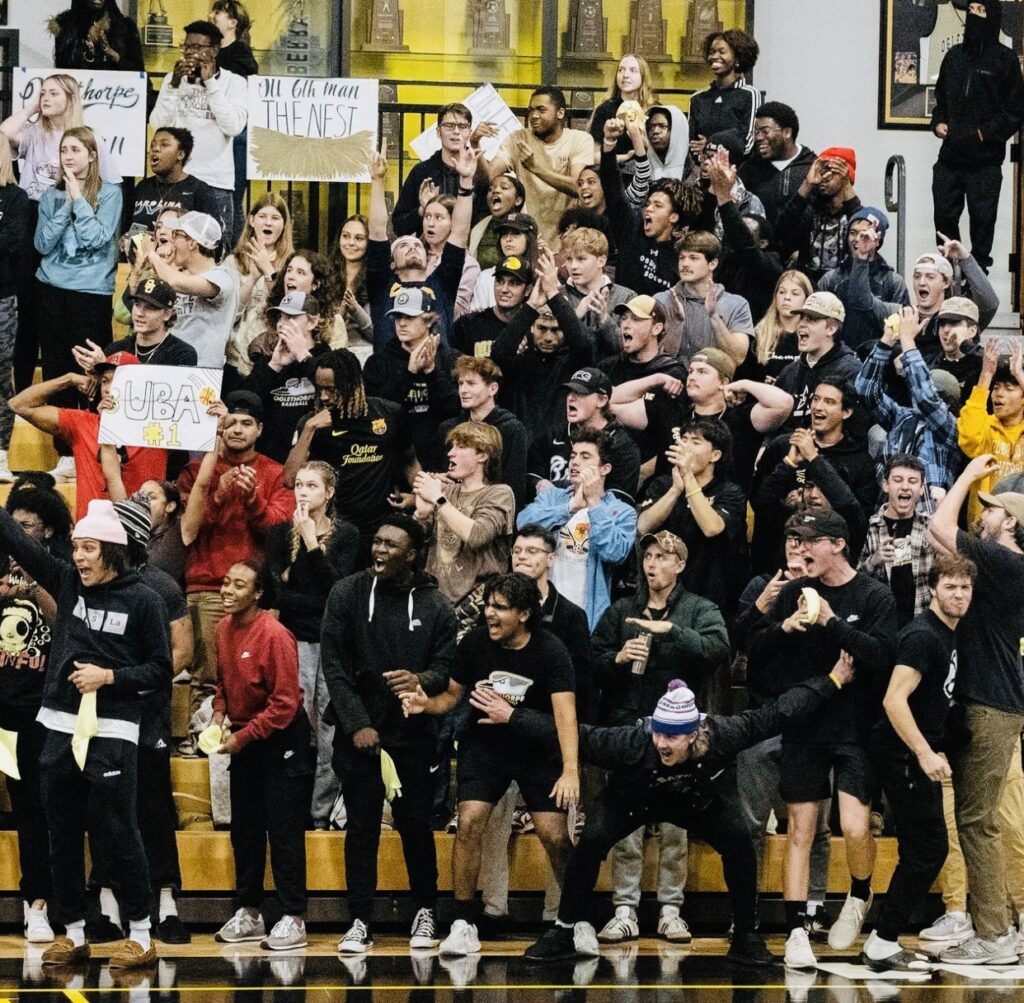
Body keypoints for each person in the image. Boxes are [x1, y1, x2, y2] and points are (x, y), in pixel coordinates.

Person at [518, 667, 853, 965]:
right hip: (632, 800)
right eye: (659, 734)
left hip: (698, 803)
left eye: (673, 737)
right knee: (591, 839)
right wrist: (512, 716)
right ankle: (564, 931)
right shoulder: (632, 742)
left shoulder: (725, 734)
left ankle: (745, 935)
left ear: (694, 735)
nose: (663, 744)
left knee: (739, 840)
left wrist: (834, 679)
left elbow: (780, 711)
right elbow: (577, 734)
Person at [0, 499, 171, 969]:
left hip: (113, 728)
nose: (78, 557)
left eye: (89, 548)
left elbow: (161, 668)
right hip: (58, 724)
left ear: (113, 551)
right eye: (75, 547)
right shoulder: (66, 582)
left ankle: (140, 932)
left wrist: (109, 677)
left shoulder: (145, 600)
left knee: (118, 832)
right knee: (61, 831)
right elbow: (16, 539)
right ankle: (73, 932)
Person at [746, 510, 898, 970]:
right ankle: (795, 933)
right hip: (806, 726)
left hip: (855, 727)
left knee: (854, 826)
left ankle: (859, 891)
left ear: (837, 544)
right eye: (794, 538)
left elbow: (881, 657)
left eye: (808, 540)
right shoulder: (793, 594)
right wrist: (780, 629)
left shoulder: (874, 595)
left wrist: (831, 623)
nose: (799, 548)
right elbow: (755, 657)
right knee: (800, 829)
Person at [402, 572, 579, 957]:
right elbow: (451, 695)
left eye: (500, 607)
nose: (489, 614)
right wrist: (425, 705)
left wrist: (570, 770)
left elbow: (565, 714)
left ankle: (573, 920)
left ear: (525, 614)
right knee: (469, 823)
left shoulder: (551, 651)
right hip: (486, 747)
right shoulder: (475, 643)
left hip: (537, 750)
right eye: (488, 605)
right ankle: (463, 921)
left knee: (554, 835)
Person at [321, 514, 457, 955]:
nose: (379, 550)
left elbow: (445, 668)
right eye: (376, 542)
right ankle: (359, 918)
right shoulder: (347, 592)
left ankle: (425, 910)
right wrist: (358, 723)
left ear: (413, 554)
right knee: (361, 828)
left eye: (391, 545)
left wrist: (421, 679)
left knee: (416, 825)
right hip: (359, 733)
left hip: (414, 734)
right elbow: (334, 668)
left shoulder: (436, 606)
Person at [591, 530, 729, 944]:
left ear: (680, 564)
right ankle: (624, 909)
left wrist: (671, 631)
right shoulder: (620, 611)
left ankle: (671, 909)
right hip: (630, 727)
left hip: (680, 731)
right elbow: (591, 663)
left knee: (675, 823)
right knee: (627, 822)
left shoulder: (699, 608)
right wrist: (616, 658)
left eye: (662, 556)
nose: (652, 564)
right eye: (648, 556)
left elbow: (718, 649)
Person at [928, 457, 1024, 964]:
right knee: (976, 821)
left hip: (992, 704)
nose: (982, 516)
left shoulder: (1007, 563)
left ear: (1008, 521)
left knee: (977, 822)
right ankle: (996, 927)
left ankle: (995, 936)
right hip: (987, 702)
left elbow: (938, 524)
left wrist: (966, 475)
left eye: (990, 510)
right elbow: (937, 538)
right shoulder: (998, 565)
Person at [860, 554, 976, 972]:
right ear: (933, 589)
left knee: (920, 848)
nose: (959, 594)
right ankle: (882, 939)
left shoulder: (949, 633)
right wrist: (924, 752)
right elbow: (894, 699)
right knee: (930, 849)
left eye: (965, 587)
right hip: (900, 753)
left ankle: (882, 940)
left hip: (914, 751)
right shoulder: (922, 636)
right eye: (950, 586)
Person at [211, 559, 313, 952]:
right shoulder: (222, 629)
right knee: (245, 829)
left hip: (281, 738)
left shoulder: (275, 634)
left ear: (258, 594)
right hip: (246, 738)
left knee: (284, 829)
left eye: (239, 585)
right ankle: (249, 912)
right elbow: (223, 684)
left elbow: (285, 703)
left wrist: (242, 738)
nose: (227, 590)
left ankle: (293, 916)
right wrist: (219, 717)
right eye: (225, 582)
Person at [176, 391, 294, 720]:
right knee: (206, 680)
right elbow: (189, 528)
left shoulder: (275, 473)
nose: (236, 429)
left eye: (246, 423)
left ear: (260, 429)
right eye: (229, 423)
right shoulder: (196, 471)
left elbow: (277, 533)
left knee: (255, 681)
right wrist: (219, 494)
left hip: (257, 593)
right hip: (206, 587)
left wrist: (253, 500)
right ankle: (203, 749)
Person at [266, 462, 356, 828]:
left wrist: (311, 542)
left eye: (312, 486)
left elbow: (338, 593)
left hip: (332, 642)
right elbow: (280, 595)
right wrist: (304, 544)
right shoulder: (277, 534)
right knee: (296, 724)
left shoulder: (347, 535)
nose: (302, 492)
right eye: (298, 485)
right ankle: (290, 808)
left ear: (329, 493)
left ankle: (320, 814)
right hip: (292, 639)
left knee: (330, 729)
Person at [0, 488, 68, 944]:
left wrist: (32, 579)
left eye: (28, 528)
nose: (20, 535)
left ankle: (38, 904)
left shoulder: (61, 569)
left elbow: (63, 616)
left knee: (35, 810)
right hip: (2, 706)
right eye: (14, 526)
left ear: (45, 530)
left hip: (35, 712)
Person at [284, 348, 408, 561]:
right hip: (333, 529)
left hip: (378, 528)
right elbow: (289, 479)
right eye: (320, 388)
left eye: (332, 390)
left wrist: (416, 495)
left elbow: (410, 461)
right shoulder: (311, 424)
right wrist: (310, 428)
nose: (324, 396)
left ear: (354, 385)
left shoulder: (388, 414)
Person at [10, 353, 167, 518]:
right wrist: (69, 380)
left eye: (118, 380)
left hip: (140, 534)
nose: (108, 388)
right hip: (91, 536)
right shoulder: (82, 423)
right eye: (105, 380)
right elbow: (19, 405)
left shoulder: (158, 427)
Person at [930, 0, 1024, 273]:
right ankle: (946, 273)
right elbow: (941, 101)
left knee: (982, 224)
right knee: (944, 218)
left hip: (985, 162)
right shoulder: (954, 56)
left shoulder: (1005, 61)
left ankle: (977, 278)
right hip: (950, 158)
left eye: (980, 11)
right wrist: (939, 123)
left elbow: (1014, 112)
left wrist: (984, 134)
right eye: (970, 10)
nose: (974, 16)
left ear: (992, 16)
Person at [35, 126, 122, 404]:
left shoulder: (110, 193)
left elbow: (96, 239)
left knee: (91, 371)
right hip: (51, 291)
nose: (68, 156)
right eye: (63, 150)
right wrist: (66, 205)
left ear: (92, 155)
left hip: (91, 294)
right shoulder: (50, 195)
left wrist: (80, 201)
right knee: (55, 371)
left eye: (75, 150)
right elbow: (42, 244)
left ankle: (90, 441)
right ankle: (62, 446)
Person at [517, 427, 637, 629]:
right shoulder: (552, 497)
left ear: (605, 468)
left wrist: (595, 504)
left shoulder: (621, 511)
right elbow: (524, 524)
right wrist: (570, 507)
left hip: (585, 615)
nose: (575, 462)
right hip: (539, 608)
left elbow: (615, 553)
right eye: (573, 455)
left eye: (585, 456)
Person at [367, 139, 476, 350]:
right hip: (391, 376)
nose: (413, 246)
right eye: (403, 245)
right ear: (391, 262)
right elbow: (377, 230)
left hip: (435, 375)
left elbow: (460, 232)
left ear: (428, 258)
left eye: (417, 244)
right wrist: (377, 180)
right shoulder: (381, 284)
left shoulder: (442, 283)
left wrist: (465, 182)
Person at [753, 380, 876, 567]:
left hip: (829, 562)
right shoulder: (783, 446)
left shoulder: (860, 461)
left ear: (847, 412)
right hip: (776, 561)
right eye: (816, 399)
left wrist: (813, 458)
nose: (818, 407)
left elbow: (856, 519)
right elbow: (759, 501)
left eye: (829, 402)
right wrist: (789, 463)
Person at [637, 421, 748, 617]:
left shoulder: (730, 492)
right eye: (684, 440)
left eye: (695, 442)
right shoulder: (663, 485)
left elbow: (712, 527)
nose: (685, 447)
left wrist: (688, 477)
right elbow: (644, 525)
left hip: (709, 599)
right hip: (660, 594)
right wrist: (675, 490)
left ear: (715, 455)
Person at [490, 250, 595, 458]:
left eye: (555, 330)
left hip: (561, 453)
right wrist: (530, 307)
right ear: (531, 328)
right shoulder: (519, 362)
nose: (548, 337)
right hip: (520, 453)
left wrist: (553, 293)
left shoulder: (572, 363)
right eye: (542, 328)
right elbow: (498, 354)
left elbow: (583, 344)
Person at [149, 20, 248, 239]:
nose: (191, 53)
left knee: (216, 247)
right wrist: (174, 86)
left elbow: (233, 126)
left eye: (198, 47)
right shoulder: (172, 80)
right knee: (174, 244)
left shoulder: (235, 83)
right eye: (187, 47)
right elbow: (158, 124)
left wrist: (211, 83)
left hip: (216, 182)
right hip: (178, 178)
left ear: (214, 50)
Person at [855, 306, 961, 506]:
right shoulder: (902, 417)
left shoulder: (951, 429)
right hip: (887, 517)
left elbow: (926, 398)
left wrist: (907, 341)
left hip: (927, 523)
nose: (915, 390)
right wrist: (887, 340)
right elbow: (865, 390)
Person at [412, 422, 516, 604]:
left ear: (483, 455)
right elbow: (416, 544)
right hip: (435, 599)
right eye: (452, 446)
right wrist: (421, 515)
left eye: (461, 446)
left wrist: (438, 499)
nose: (450, 453)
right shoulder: (445, 491)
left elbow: (477, 535)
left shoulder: (500, 493)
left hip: (478, 602)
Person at [488, 87, 594, 247]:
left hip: (566, 243)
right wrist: (474, 147)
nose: (534, 116)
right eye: (531, 110)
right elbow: (489, 175)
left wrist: (535, 167)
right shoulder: (518, 138)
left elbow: (578, 187)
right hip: (526, 242)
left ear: (560, 113)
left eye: (541, 110)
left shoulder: (579, 140)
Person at [424, 356, 529, 509]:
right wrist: (435, 478)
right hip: (446, 509)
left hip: (490, 514)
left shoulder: (512, 429)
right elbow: (435, 470)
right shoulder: (447, 428)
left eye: (471, 384)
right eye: (461, 384)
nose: (463, 390)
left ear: (492, 388)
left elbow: (514, 489)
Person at [240, 291, 332, 464]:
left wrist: (304, 357)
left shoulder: (328, 360)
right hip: (269, 460)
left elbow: (337, 394)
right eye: (281, 317)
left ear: (312, 322)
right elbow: (242, 404)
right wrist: (273, 367)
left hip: (312, 461)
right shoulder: (268, 362)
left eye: (292, 317)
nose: (283, 324)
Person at [144, 210, 239, 369]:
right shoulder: (178, 273)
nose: (171, 242)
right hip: (169, 366)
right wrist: (165, 266)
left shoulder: (223, 277)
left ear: (192, 243)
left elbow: (175, 282)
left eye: (176, 236)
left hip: (201, 372)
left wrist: (151, 254)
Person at [532, 367, 642, 504]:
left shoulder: (623, 446)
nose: (571, 398)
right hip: (551, 519)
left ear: (601, 400)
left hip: (596, 522)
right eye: (571, 392)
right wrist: (539, 484)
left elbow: (620, 503)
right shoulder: (553, 435)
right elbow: (530, 476)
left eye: (580, 393)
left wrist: (559, 490)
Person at [817, 207, 910, 351]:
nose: (858, 238)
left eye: (865, 233)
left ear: (877, 240)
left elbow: (901, 331)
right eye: (853, 233)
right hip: (837, 359)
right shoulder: (830, 280)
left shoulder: (894, 282)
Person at [654, 230, 753, 366]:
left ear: (712, 264)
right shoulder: (661, 301)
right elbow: (652, 357)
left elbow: (738, 358)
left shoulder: (736, 304)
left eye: (693, 258)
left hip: (714, 383)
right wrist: (676, 324)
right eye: (682, 257)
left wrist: (714, 317)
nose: (685, 264)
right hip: (669, 381)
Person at [393, 103, 489, 238]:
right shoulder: (421, 172)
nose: (456, 131)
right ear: (438, 132)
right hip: (429, 252)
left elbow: (488, 220)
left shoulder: (481, 170)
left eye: (462, 126)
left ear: (469, 132)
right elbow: (399, 225)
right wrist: (423, 209)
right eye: (449, 126)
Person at [858, 455, 933, 628]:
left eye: (913, 481)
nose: (905, 486)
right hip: (880, 624)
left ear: (921, 489)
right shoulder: (869, 526)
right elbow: (854, 583)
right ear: (886, 485)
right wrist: (874, 560)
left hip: (920, 624)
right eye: (898, 480)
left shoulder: (931, 528)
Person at [774, 291, 859, 429]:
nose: (801, 324)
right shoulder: (789, 371)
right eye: (801, 318)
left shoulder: (851, 371)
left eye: (811, 319)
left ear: (831, 328)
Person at [776, 149, 863, 284]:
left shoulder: (854, 213)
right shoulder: (810, 210)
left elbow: (864, 233)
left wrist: (846, 184)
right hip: (810, 288)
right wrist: (807, 183)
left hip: (846, 287)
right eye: (821, 170)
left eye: (830, 171)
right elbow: (782, 228)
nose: (823, 176)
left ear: (846, 177)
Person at [211, 0, 258, 246]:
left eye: (218, 12)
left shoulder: (239, 56)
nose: (212, 16)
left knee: (232, 198)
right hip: (219, 134)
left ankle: (236, 252)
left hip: (236, 135)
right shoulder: (222, 54)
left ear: (233, 23)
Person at [0, 140, 30, 482]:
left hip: (3, 298)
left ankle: (1, 452)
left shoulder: (15, 197)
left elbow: (12, 238)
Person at [561, 227, 637, 358]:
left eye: (581, 259)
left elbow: (627, 348)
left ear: (601, 261)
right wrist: (574, 317)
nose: (573, 266)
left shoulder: (626, 297)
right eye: (569, 259)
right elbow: (550, 346)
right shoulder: (557, 296)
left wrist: (604, 319)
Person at [688, 29, 762, 160]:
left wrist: (710, 147)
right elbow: (691, 144)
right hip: (702, 172)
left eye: (722, 52)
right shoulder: (697, 98)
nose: (715, 56)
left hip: (736, 173)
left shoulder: (750, 95)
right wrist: (704, 156)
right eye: (711, 52)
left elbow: (748, 142)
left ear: (737, 57)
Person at [740, 102, 816, 226]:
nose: (758, 137)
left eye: (765, 131)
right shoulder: (748, 170)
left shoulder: (812, 168)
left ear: (787, 132)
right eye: (756, 131)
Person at [129, 128, 219, 233]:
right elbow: (129, 226)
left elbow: (211, 238)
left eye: (164, 144)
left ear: (180, 154)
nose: (155, 149)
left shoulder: (199, 190)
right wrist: (126, 238)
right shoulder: (143, 187)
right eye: (152, 145)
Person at [597, 295, 685, 391]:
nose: (626, 325)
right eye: (624, 318)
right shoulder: (608, 367)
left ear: (656, 329)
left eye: (636, 319)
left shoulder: (672, 373)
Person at [453, 253, 531, 359]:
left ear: (527, 290)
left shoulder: (534, 328)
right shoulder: (468, 324)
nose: (504, 289)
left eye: (514, 283)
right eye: (499, 281)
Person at [753, 270, 813, 383]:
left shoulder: (813, 335)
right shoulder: (759, 333)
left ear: (806, 299)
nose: (787, 297)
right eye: (782, 292)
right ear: (775, 297)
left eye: (795, 293)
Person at [52, 0, 143, 70]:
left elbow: (139, 73)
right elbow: (62, 72)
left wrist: (117, 58)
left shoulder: (125, 26)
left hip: (118, 91)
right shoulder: (65, 26)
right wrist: (86, 54)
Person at [468, 174, 526, 270]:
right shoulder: (478, 229)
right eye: (490, 189)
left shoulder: (526, 228)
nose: (495, 191)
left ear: (518, 200)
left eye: (504, 187)